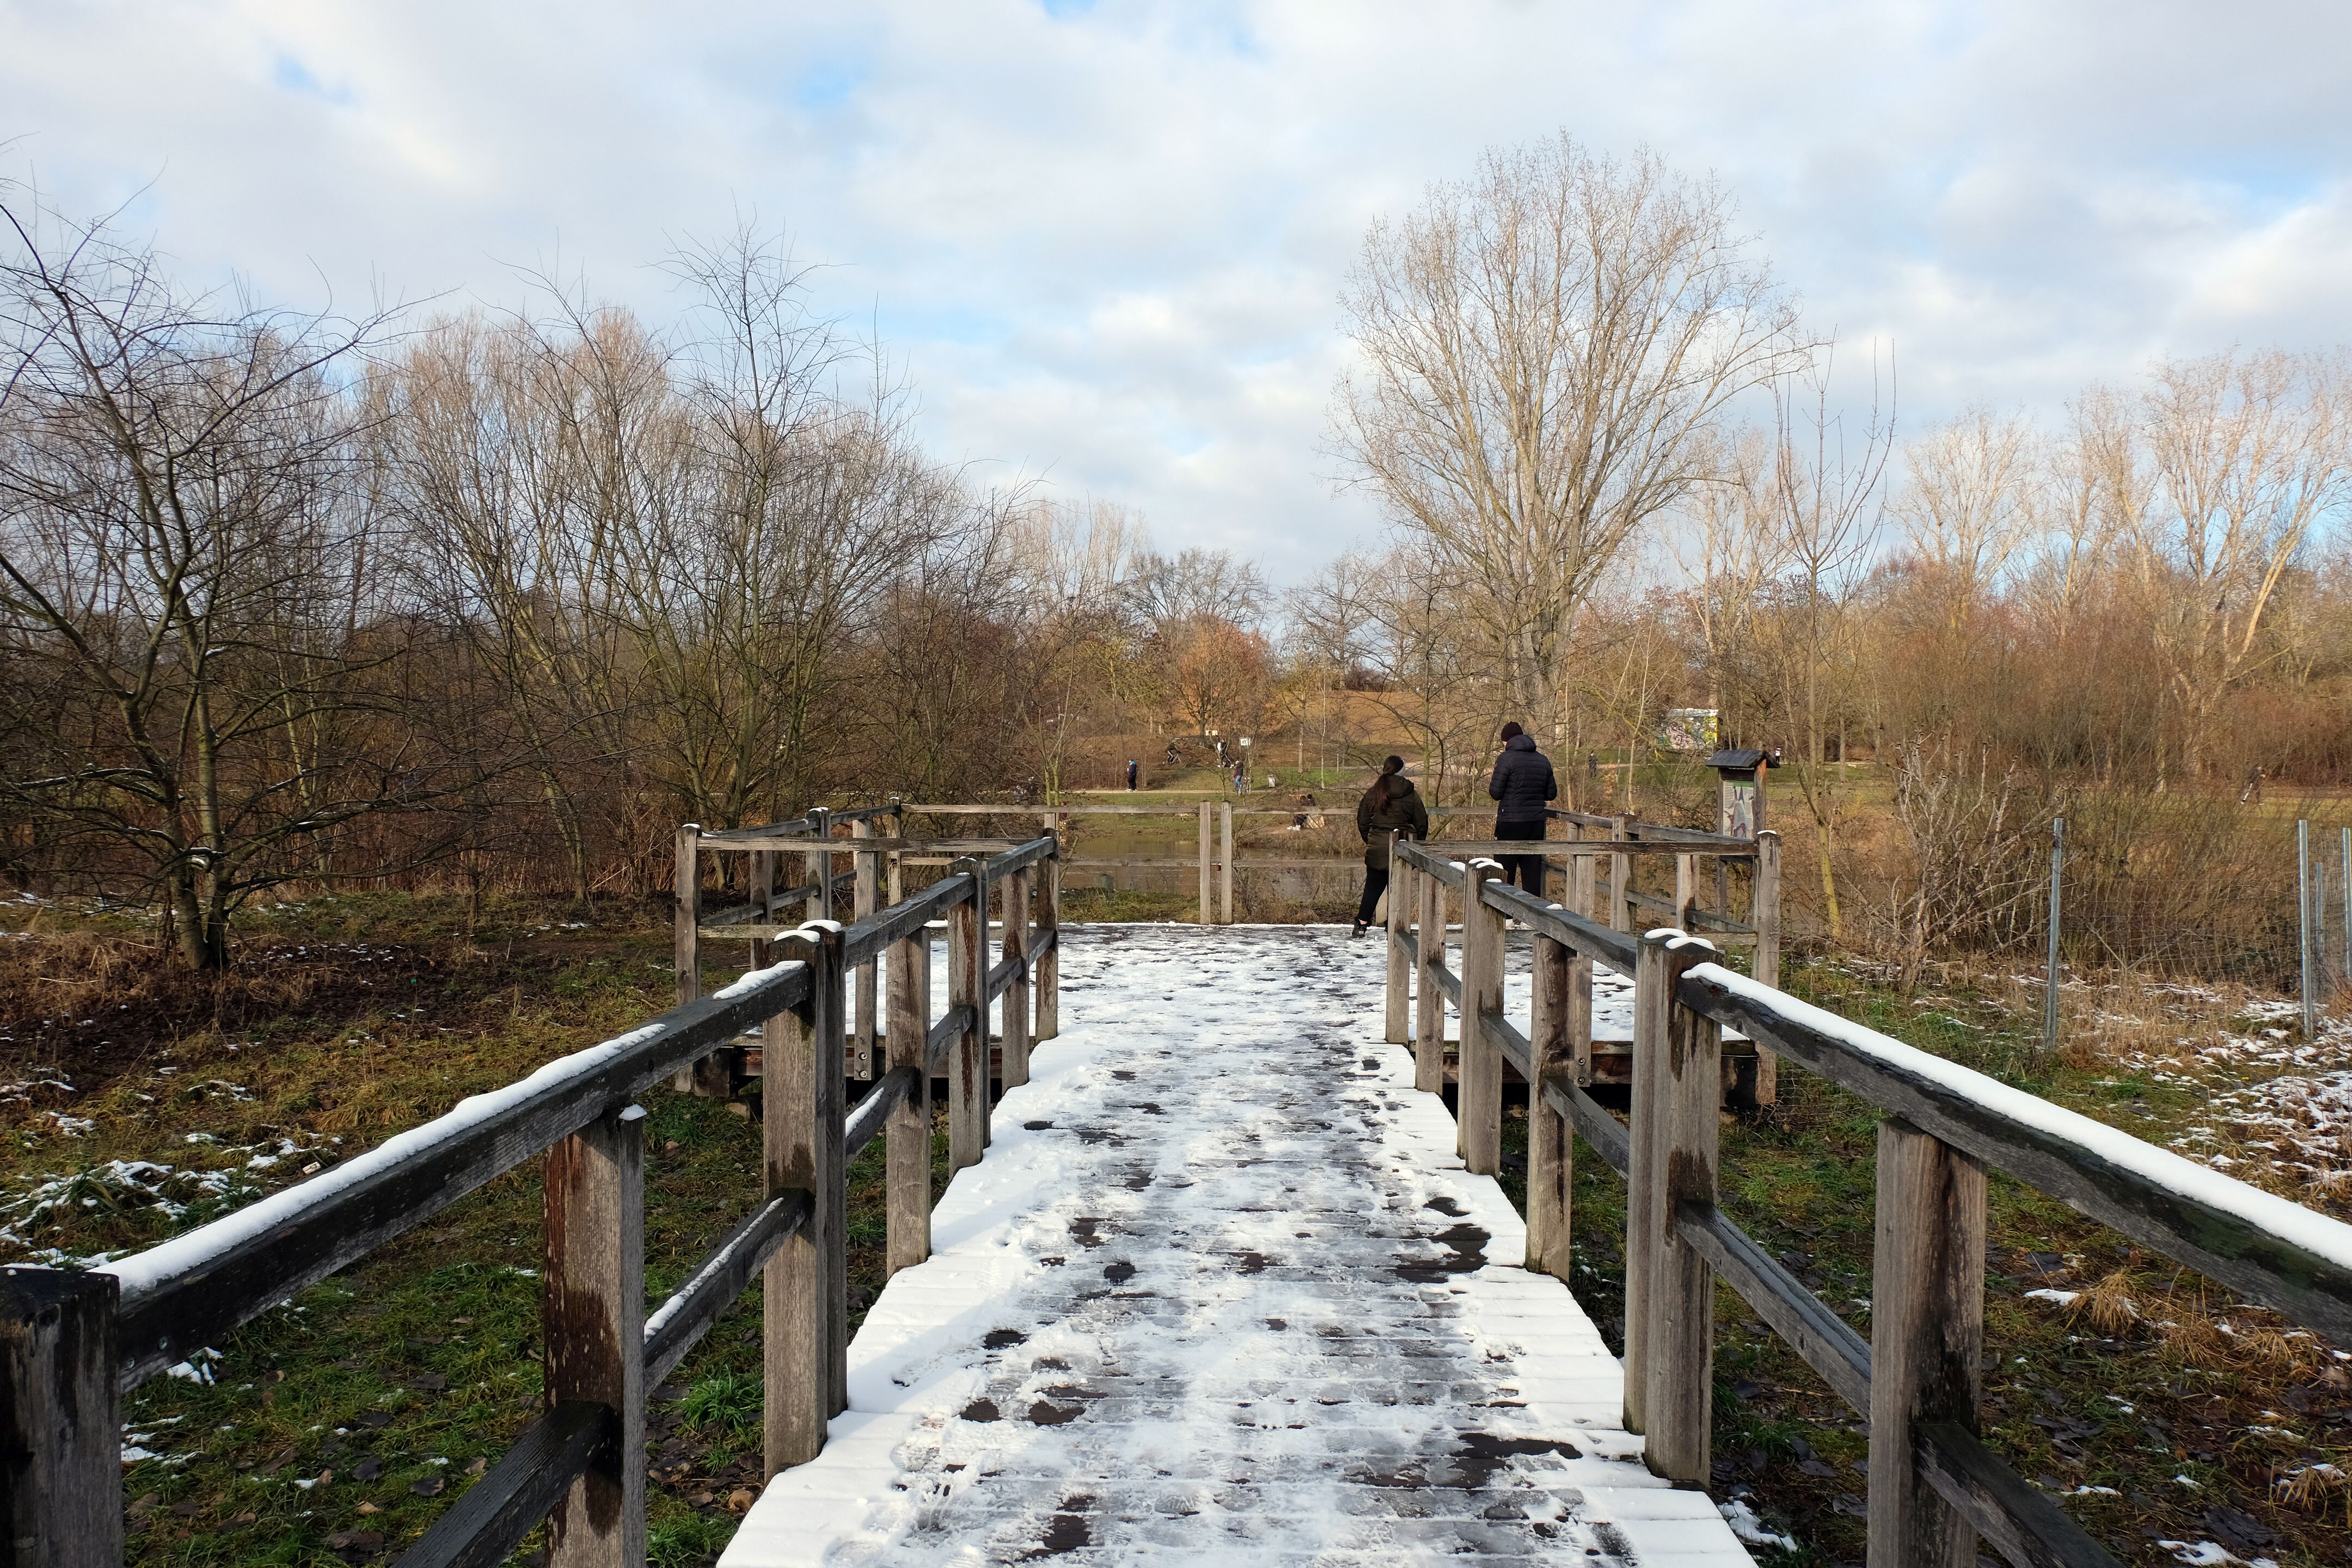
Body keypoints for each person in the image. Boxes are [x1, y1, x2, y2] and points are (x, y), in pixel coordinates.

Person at [1353, 755, 1428, 937]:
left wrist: (1371, 840)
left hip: (1377, 848)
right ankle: (1393, 924)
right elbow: (1422, 822)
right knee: (1398, 888)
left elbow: (1362, 821)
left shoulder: (1373, 792)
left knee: (1372, 888)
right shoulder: (1410, 793)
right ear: (1402, 771)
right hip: (1403, 847)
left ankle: (1361, 925)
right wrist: (1417, 845)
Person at [1488, 721, 1557, 897]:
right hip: (1535, 823)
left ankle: (1504, 912)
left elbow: (1495, 793)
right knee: (1532, 873)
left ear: (1506, 741)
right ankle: (1532, 913)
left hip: (1510, 822)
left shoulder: (1506, 759)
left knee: (1504, 872)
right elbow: (1551, 794)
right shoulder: (1543, 760)